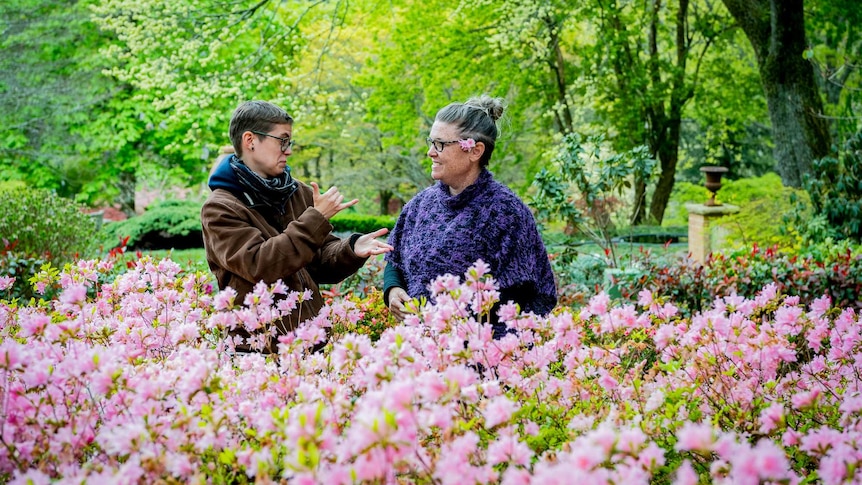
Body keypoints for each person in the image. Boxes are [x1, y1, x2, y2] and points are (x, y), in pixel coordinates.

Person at [201, 100, 392, 353]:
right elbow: (262, 266)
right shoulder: (220, 208)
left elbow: (319, 260)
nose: (288, 150)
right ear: (250, 141)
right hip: (259, 350)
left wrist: (352, 248)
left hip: (312, 342)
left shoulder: (296, 191)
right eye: (282, 140)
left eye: (289, 142)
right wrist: (315, 218)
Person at [383, 95, 557, 338]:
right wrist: (392, 290)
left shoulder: (507, 213)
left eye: (440, 144)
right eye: (431, 142)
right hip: (418, 351)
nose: (430, 152)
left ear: (475, 151)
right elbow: (395, 258)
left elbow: (521, 297)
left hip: (482, 357)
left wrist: (457, 330)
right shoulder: (419, 206)